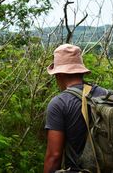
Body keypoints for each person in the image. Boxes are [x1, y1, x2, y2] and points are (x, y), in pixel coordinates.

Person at [43, 44, 106, 173]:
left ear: (58, 74)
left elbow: (54, 156)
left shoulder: (59, 103)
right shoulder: (106, 95)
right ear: (81, 71)